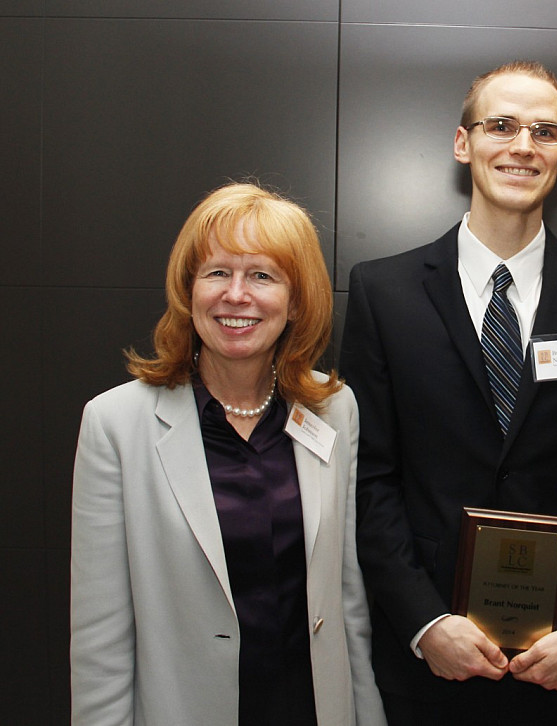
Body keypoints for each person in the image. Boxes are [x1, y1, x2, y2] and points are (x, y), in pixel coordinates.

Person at [340, 60, 557, 725]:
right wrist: (424, 622)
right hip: (429, 667)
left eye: (545, 132)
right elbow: (369, 482)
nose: (522, 146)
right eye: (502, 125)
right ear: (464, 143)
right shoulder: (383, 292)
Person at [70, 183, 387, 726]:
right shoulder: (116, 424)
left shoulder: (334, 410)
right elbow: (100, 633)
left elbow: (347, 599)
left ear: (296, 301)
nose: (236, 295)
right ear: (188, 289)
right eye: (217, 272)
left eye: (263, 276)